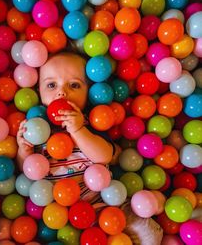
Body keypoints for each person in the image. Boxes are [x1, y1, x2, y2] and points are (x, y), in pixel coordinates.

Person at [16, 52, 163, 244]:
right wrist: (24, 151)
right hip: (58, 214)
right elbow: (27, 171)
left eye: (74, 85)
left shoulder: (89, 122)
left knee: (150, 235)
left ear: (88, 93)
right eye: (51, 85)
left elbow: (105, 156)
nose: (62, 93)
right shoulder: (36, 128)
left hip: (103, 203)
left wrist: (78, 129)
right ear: (39, 90)